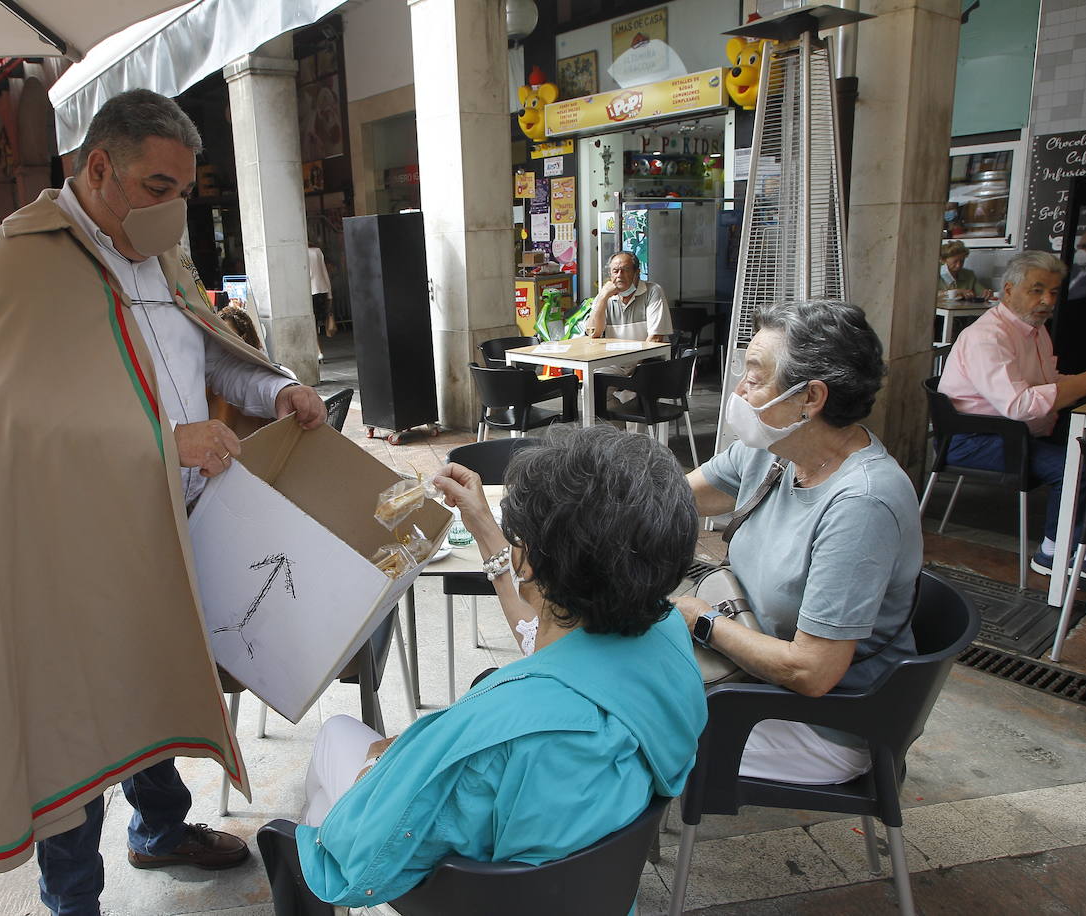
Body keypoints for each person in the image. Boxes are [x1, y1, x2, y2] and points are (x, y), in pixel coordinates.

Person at [0, 88, 326, 916]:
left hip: (178, 521)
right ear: (97, 168)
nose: (174, 208)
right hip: (74, 546)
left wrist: (278, 388)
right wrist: (165, 445)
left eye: (184, 190)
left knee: (152, 681)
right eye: (159, 187)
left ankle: (159, 829)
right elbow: (22, 433)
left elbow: (209, 361)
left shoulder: (156, 253)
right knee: (79, 714)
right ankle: (73, 899)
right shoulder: (19, 263)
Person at [293, 426, 707, 908]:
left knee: (335, 740)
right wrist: (488, 528)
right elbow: (551, 641)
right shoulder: (668, 638)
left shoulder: (499, 737)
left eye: (518, 541)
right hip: (602, 895)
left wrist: (376, 770)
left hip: (477, 899)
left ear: (527, 559)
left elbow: (358, 848)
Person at [680, 300, 922, 785]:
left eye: (754, 375)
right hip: (750, 678)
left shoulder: (862, 504)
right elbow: (674, 498)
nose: (739, 390)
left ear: (810, 397)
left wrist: (701, 620)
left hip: (827, 723)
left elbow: (812, 671)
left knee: (614, 726)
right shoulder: (772, 452)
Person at [939, 250, 1086, 577]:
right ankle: (1055, 552)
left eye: (1053, 291)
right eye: (1036, 290)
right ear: (1008, 290)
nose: (1047, 300)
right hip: (976, 438)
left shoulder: (1035, 330)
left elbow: (1046, 383)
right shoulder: (988, 337)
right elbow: (1019, 405)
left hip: (1016, 431)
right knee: (1077, 467)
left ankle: (1084, 542)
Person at [583, 250, 672, 341]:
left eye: (625, 270)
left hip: (646, 354)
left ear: (637, 273)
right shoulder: (605, 295)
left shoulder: (652, 291)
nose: (619, 275)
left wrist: (632, 356)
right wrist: (603, 298)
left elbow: (655, 338)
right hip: (614, 354)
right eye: (615, 271)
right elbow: (593, 333)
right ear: (610, 275)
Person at [308, 244, 334, 361]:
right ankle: (318, 350)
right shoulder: (317, 251)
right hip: (322, 289)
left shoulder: (301, 253)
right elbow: (324, 272)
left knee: (311, 324)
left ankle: (318, 351)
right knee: (317, 322)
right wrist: (329, 294)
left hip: (310, 292)